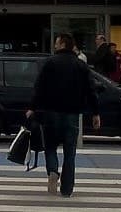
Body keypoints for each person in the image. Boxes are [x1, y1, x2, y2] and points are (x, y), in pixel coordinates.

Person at [27, 33, 100, 199]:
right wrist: (95, 113)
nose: (54, 44)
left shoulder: (50, 63)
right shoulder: (81, 66)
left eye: (56, 42)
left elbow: (39, 87)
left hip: (51, 112)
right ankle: (67, 189)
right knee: (70, 152)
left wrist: (32, 107)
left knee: (50, 146)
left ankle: (53, 170)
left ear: (61, 45)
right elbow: (91, 90)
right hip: (72, 114)